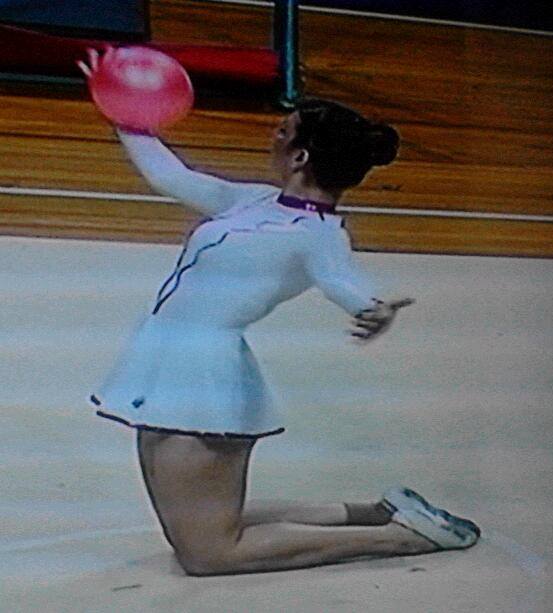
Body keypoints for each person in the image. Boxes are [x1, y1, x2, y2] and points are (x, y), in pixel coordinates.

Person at [80, 50, 480, 576]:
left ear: (300, 157)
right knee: (201, 529)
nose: (273, 135)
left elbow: (342, 280)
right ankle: (380, 512)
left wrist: (371, 307)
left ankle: (406, 539)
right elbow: (172, 177)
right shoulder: (254, 201)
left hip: (206, 376)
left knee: (209, 554)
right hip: (164, 359)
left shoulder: (318, 235)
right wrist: (126, 113)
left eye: (283, 131)